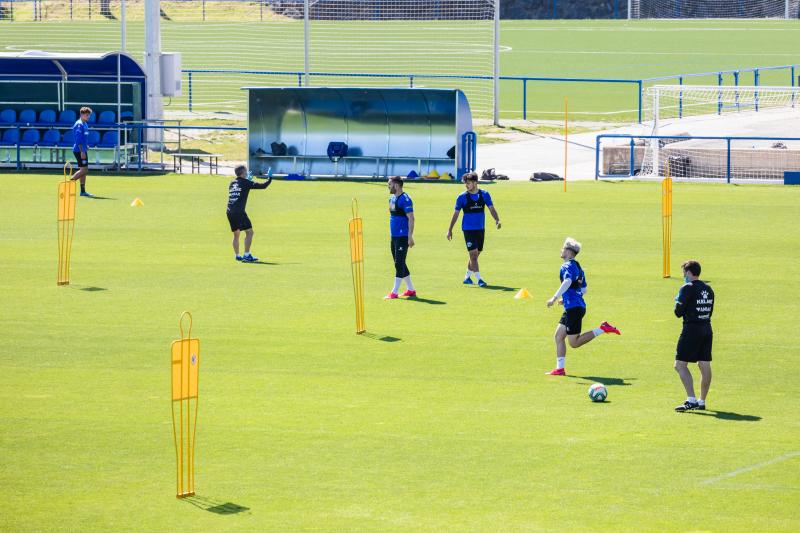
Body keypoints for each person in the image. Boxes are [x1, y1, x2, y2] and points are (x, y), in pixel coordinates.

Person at [545, 237, 620, 376]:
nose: (561, 250)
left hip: (574, 309)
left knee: (574, 343)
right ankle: (560, 369)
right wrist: (565, 299)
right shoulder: (578, 267)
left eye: (563, 248)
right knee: (558, 336)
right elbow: (583, 289)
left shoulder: (566, 266)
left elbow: (567, 281)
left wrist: (554, 298)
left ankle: (602, 329)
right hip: (573, 306)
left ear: (568, 251)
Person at [673, 260, 715, 412]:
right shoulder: (708, 288)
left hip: (691, 329)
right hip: (706, 328)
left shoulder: (687, 288)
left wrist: (677, 302)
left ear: (689, 273)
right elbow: (709, 311)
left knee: (679, 365)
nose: (683, 276)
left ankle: (691, 399)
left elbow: (678, 313)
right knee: (704, 364)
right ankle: (702, 401)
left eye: (684, 273)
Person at [446, 172, 501, 287]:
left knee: (476, 254)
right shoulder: (462, 197)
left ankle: (467, 277)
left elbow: (491, 208)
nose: (466, 185)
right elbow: (455, 214)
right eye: (466, 183)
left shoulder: (485, 194)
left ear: (475, 183)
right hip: (468, 229)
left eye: (469, 183)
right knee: (473, 256)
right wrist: (450, 229)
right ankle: (479, 279)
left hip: (480, 229)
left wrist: (497, 219)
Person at [226, 165, 272, 262]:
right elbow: (263, 186)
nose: (247, 173)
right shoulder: (245, 182)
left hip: (230, 211)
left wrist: (248, 180)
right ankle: (247, 255)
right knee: (250, 232)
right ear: (242, 173)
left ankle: (237, 256)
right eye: (246, 172)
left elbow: (241, 187)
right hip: (239, 212)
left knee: (236, 234)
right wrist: (270, 178)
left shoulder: (232, 183)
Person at [386, 176, 416, 299]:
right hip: (394, 236)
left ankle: (394, 292)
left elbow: (411, 218)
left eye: (389, 185)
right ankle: (411, 289)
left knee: (399, 263)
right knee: (399, 262)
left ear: (396, 185)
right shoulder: (392, 199)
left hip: (403, 236)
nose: (388, 187)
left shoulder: (406, 200)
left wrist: (410, 237)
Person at [71, 106, 93, 197]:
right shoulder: (79, 124)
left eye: (89, 115)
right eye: (87, 115)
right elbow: (78, 139)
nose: (88, 117)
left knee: (83, 170)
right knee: (84, 170)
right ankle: (69, 183)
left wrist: (85, 146)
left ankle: (83, 191)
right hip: (79, 151)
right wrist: (82, 151)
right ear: (82, 114)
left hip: (82, 149)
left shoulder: (85, 124)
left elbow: (83, 138)